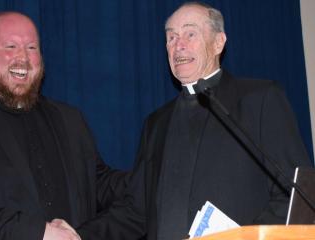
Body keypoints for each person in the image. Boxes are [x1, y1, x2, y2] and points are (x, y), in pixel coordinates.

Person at [77, 2, 312, 240]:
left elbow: (296, 196)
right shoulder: (156, 123)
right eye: (171, 37)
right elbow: (136, 212)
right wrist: (77, 237)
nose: (178, 45)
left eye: (190, 34)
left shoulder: (259, 100)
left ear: (218, 42)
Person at [0, 11, 128, 240]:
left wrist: (151, 180)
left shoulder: (69, 118)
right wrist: (40, 233)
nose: (23, 57)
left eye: (32, 48)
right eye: (10, 46)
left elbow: (97, 184)